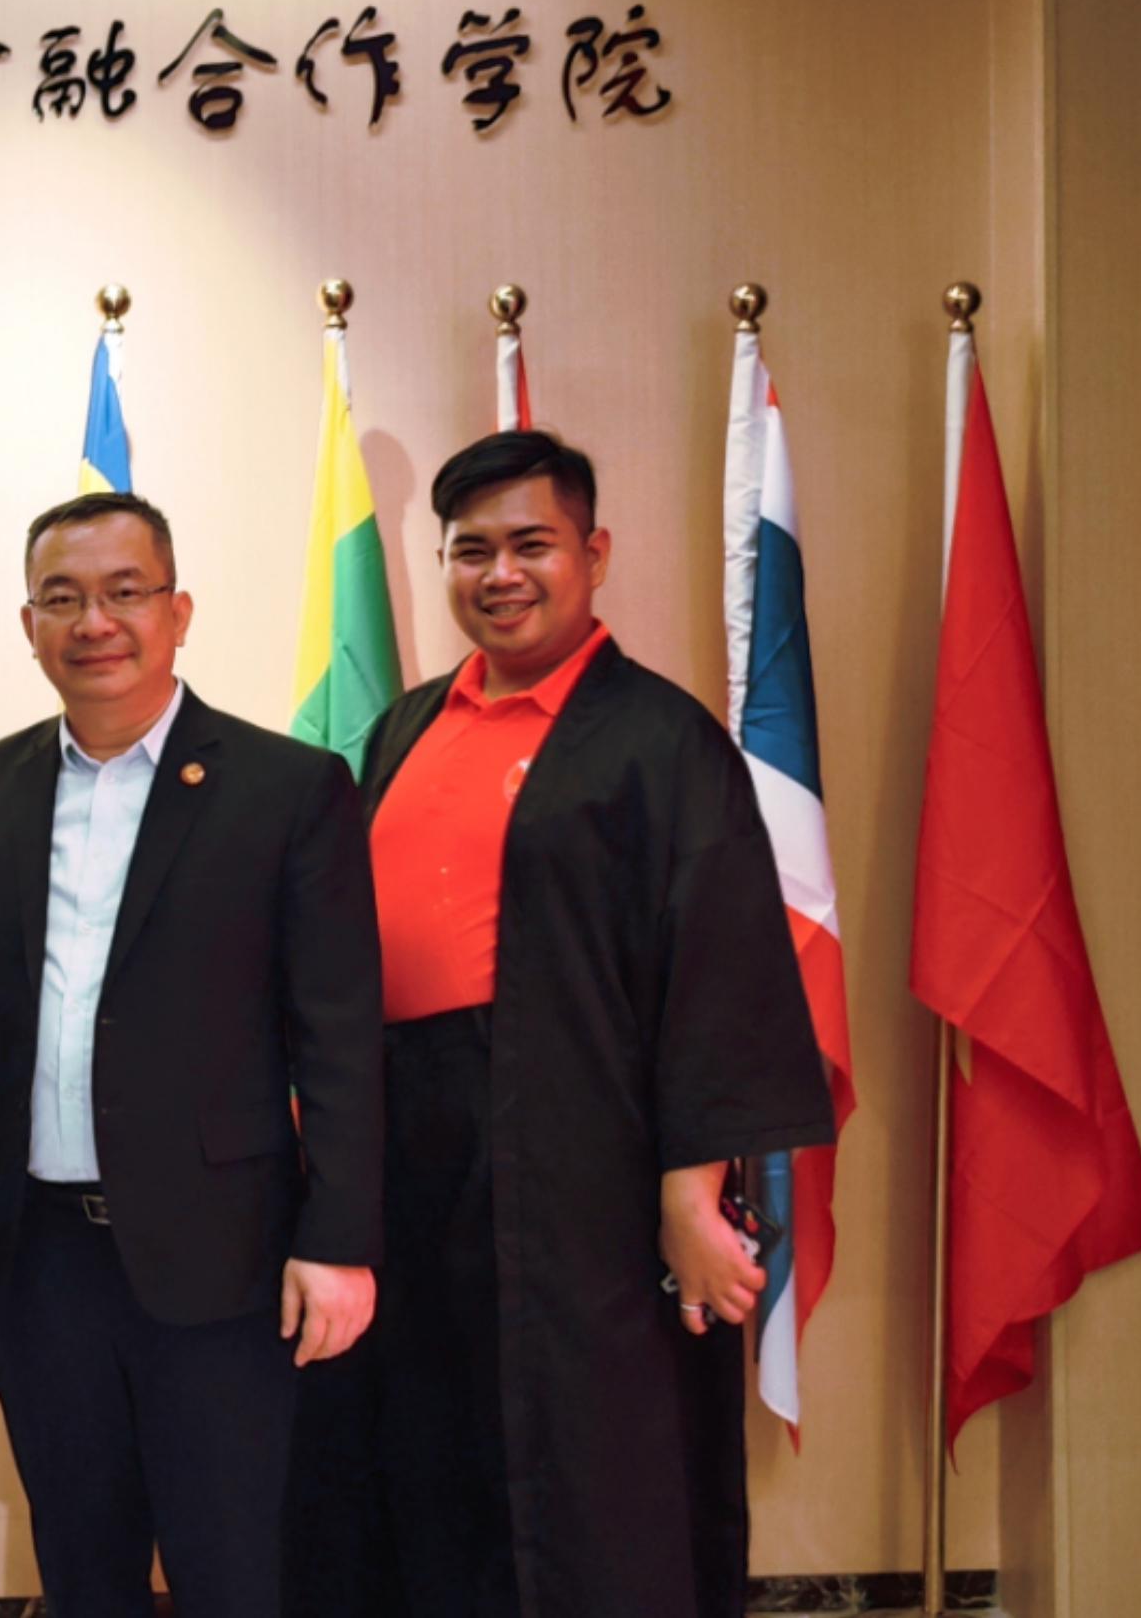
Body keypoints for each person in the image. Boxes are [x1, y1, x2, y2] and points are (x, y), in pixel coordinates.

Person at [300, 430, 835, 1618]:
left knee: (591, 1473)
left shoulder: (658, 737)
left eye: (530, 543)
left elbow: (718, 971)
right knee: (424, 1452)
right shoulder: (406, 724)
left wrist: (691, 1192)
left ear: (592, 553)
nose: (499, 573)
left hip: (584, 1165)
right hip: (409, 1155)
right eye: (470, 549)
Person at [0, 490, 384, 1618]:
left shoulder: (286, 788)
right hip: (37, 1257)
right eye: (62, 598)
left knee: (230, 1571)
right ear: (28, 624)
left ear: (178, 611)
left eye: (123, 592)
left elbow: (338, 1036)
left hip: (223, 1258)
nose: (94, 622)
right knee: (82, 1567)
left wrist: (339, 1239)